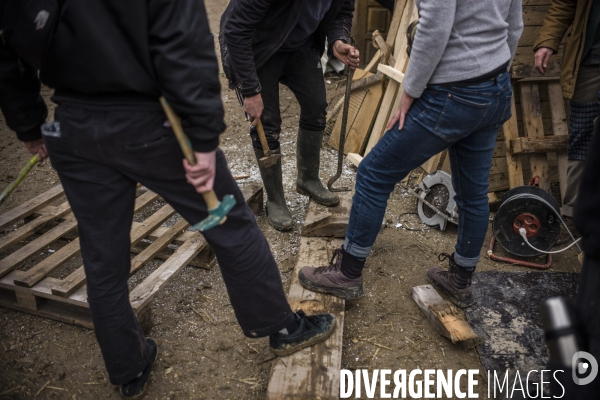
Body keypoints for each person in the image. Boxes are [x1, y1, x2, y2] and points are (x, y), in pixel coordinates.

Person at [0, 0, 335, 397]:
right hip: (156, 127)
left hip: (77, 130)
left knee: (102, 259)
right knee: (231, 227)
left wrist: (28, 124)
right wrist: (204, 139)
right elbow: (186, 45)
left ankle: (128, 369)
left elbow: (9, 49)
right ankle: (283, 328)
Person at [298, 0, 524, 308]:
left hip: (453, 92)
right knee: (472, 195)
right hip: (495, 88)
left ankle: (347, 273)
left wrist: (410, 93)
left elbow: (434, 28)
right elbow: (515, 26)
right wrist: (491, 76)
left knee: (373, 174)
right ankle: (460, 280)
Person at [219, 0, 359, 231]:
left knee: (316, 106)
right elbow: (235, 30)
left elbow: (342, 12)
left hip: (301, 47)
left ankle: (308, 179)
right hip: (258, 48)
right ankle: (275, 199)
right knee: (266, 122)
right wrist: (250, 90)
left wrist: (338, 40)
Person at [533, 0, 600, 235]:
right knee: (582, 136)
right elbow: (564, 3)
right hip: (590, 61)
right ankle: (573, 214)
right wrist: (548, 42)